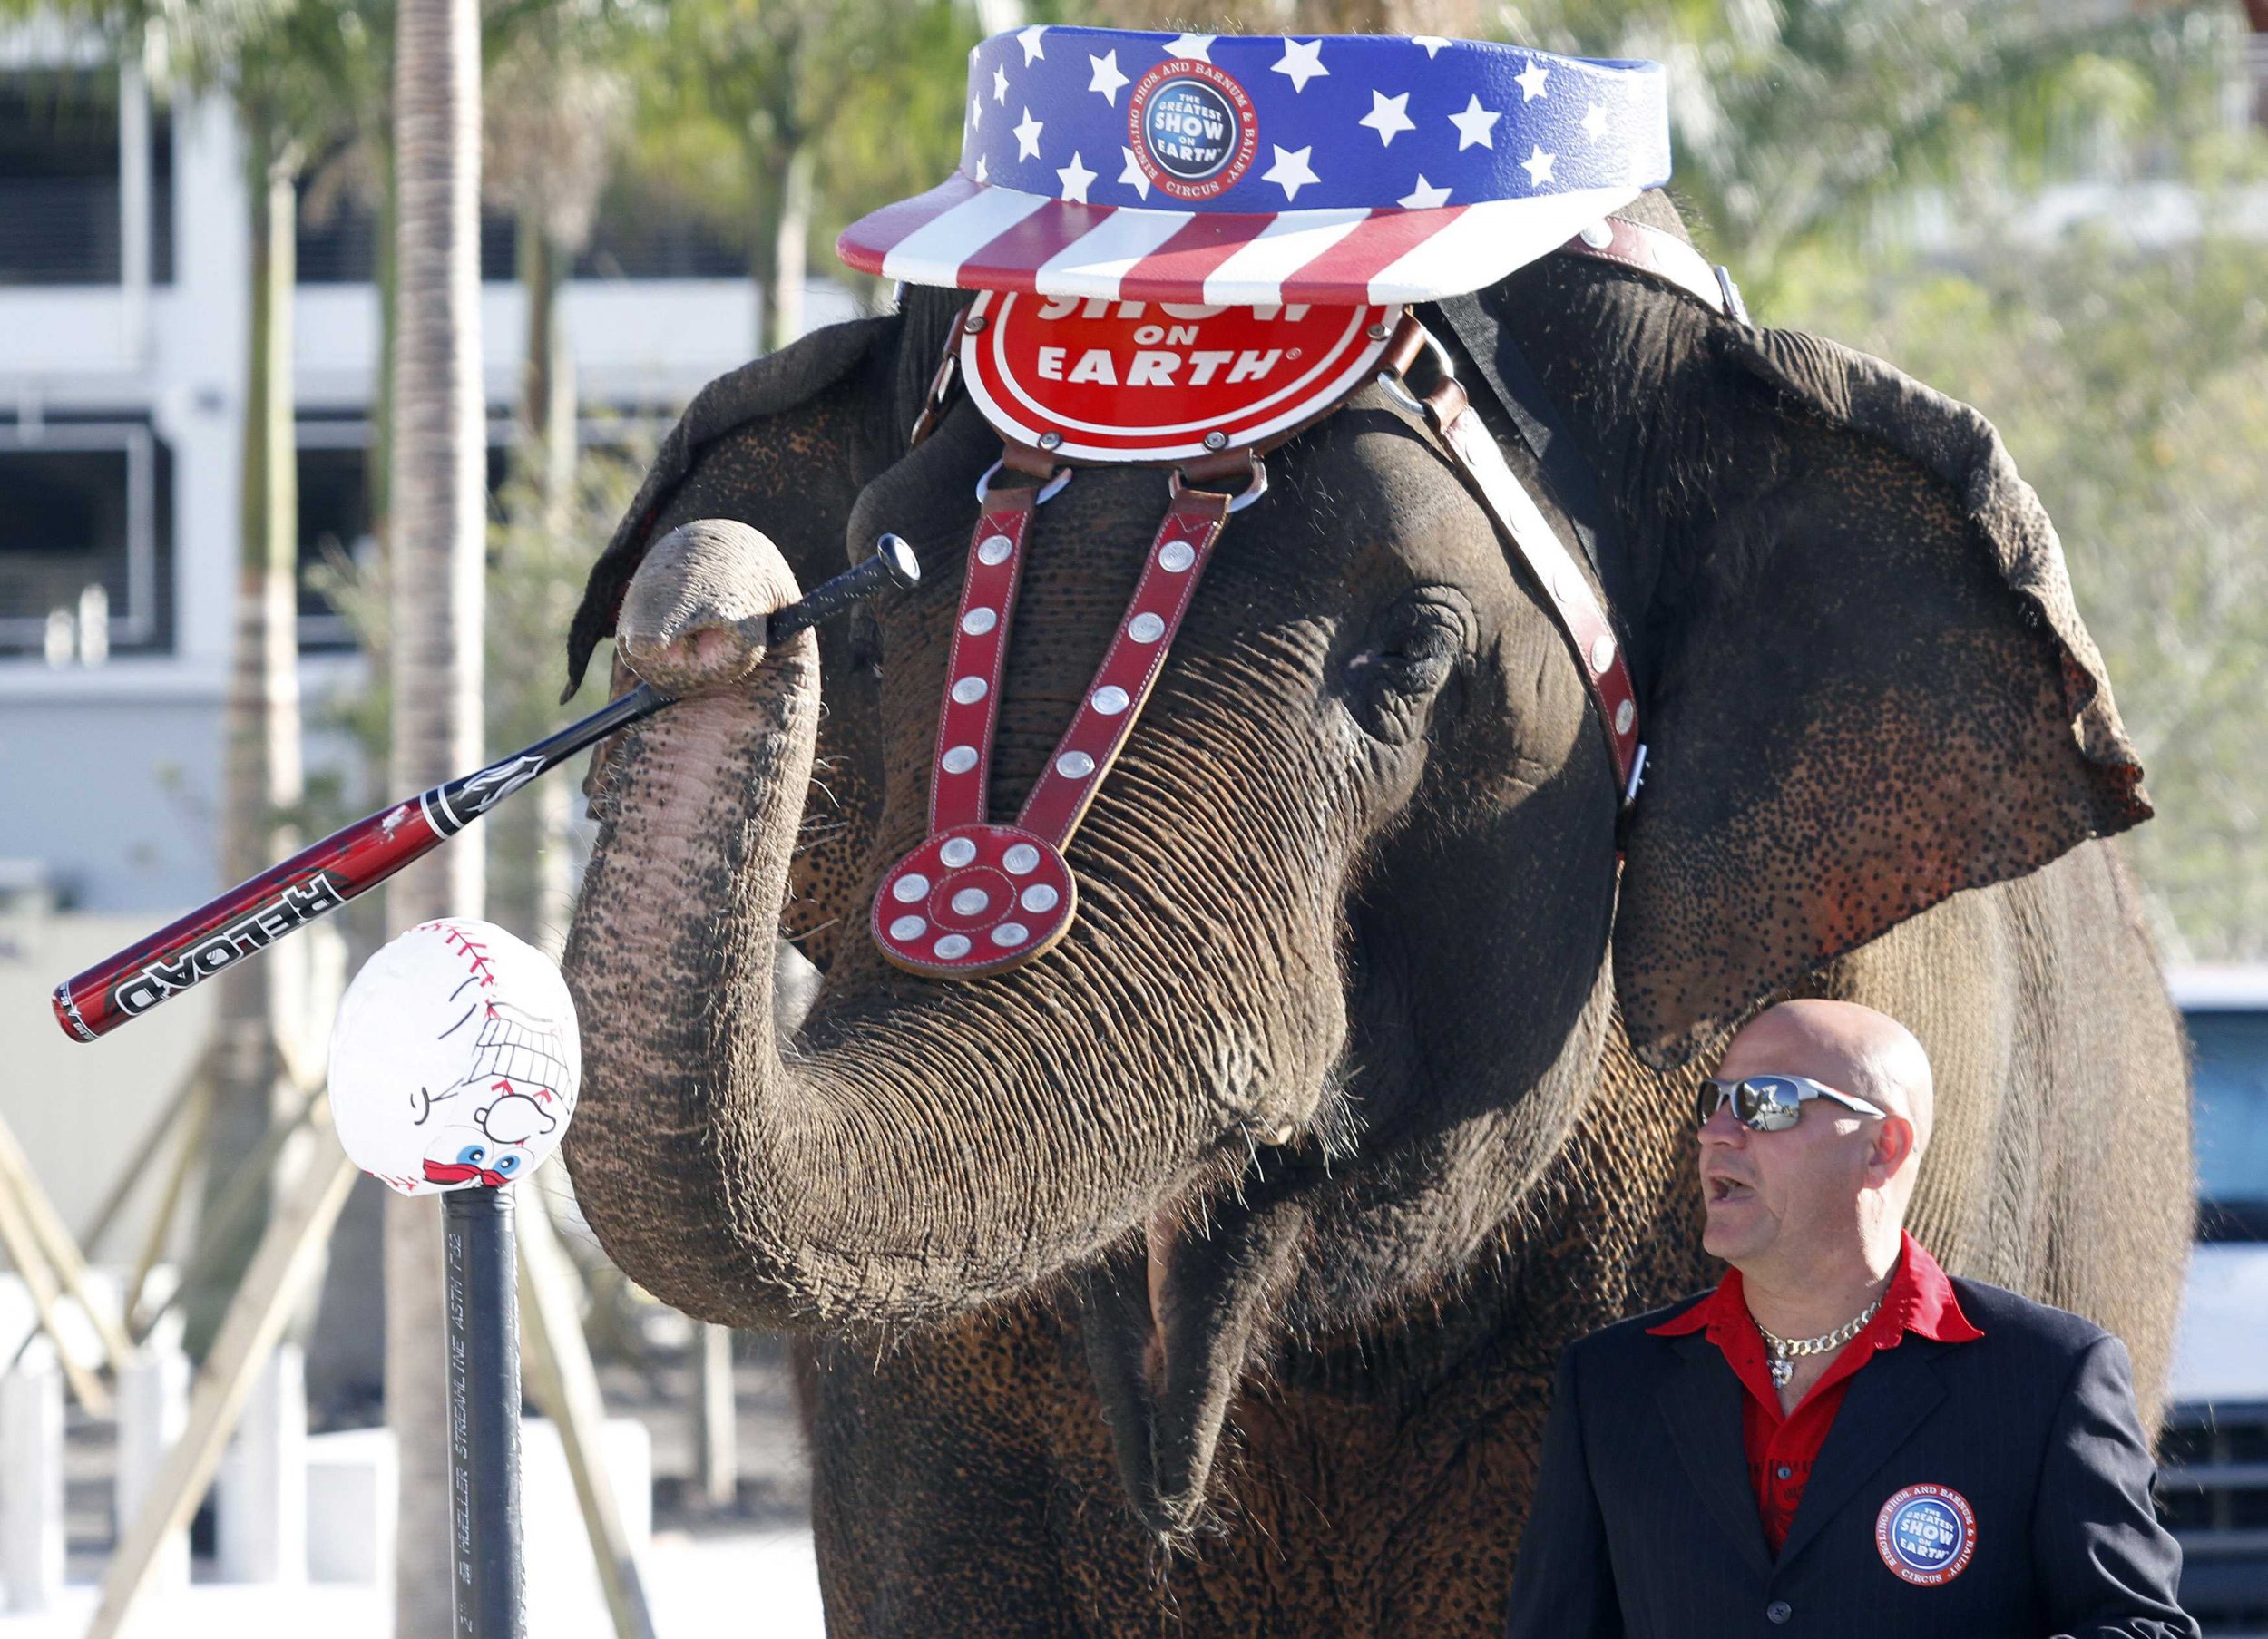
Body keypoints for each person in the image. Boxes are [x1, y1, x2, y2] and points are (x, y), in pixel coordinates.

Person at [1502, 999, 2196, 1638]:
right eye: (1712, 1101)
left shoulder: (2048, 1374)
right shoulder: (1609, 1381)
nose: (1716, 1132)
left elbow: (2142, 1627)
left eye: (1766, 1102)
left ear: (1882, 1146)